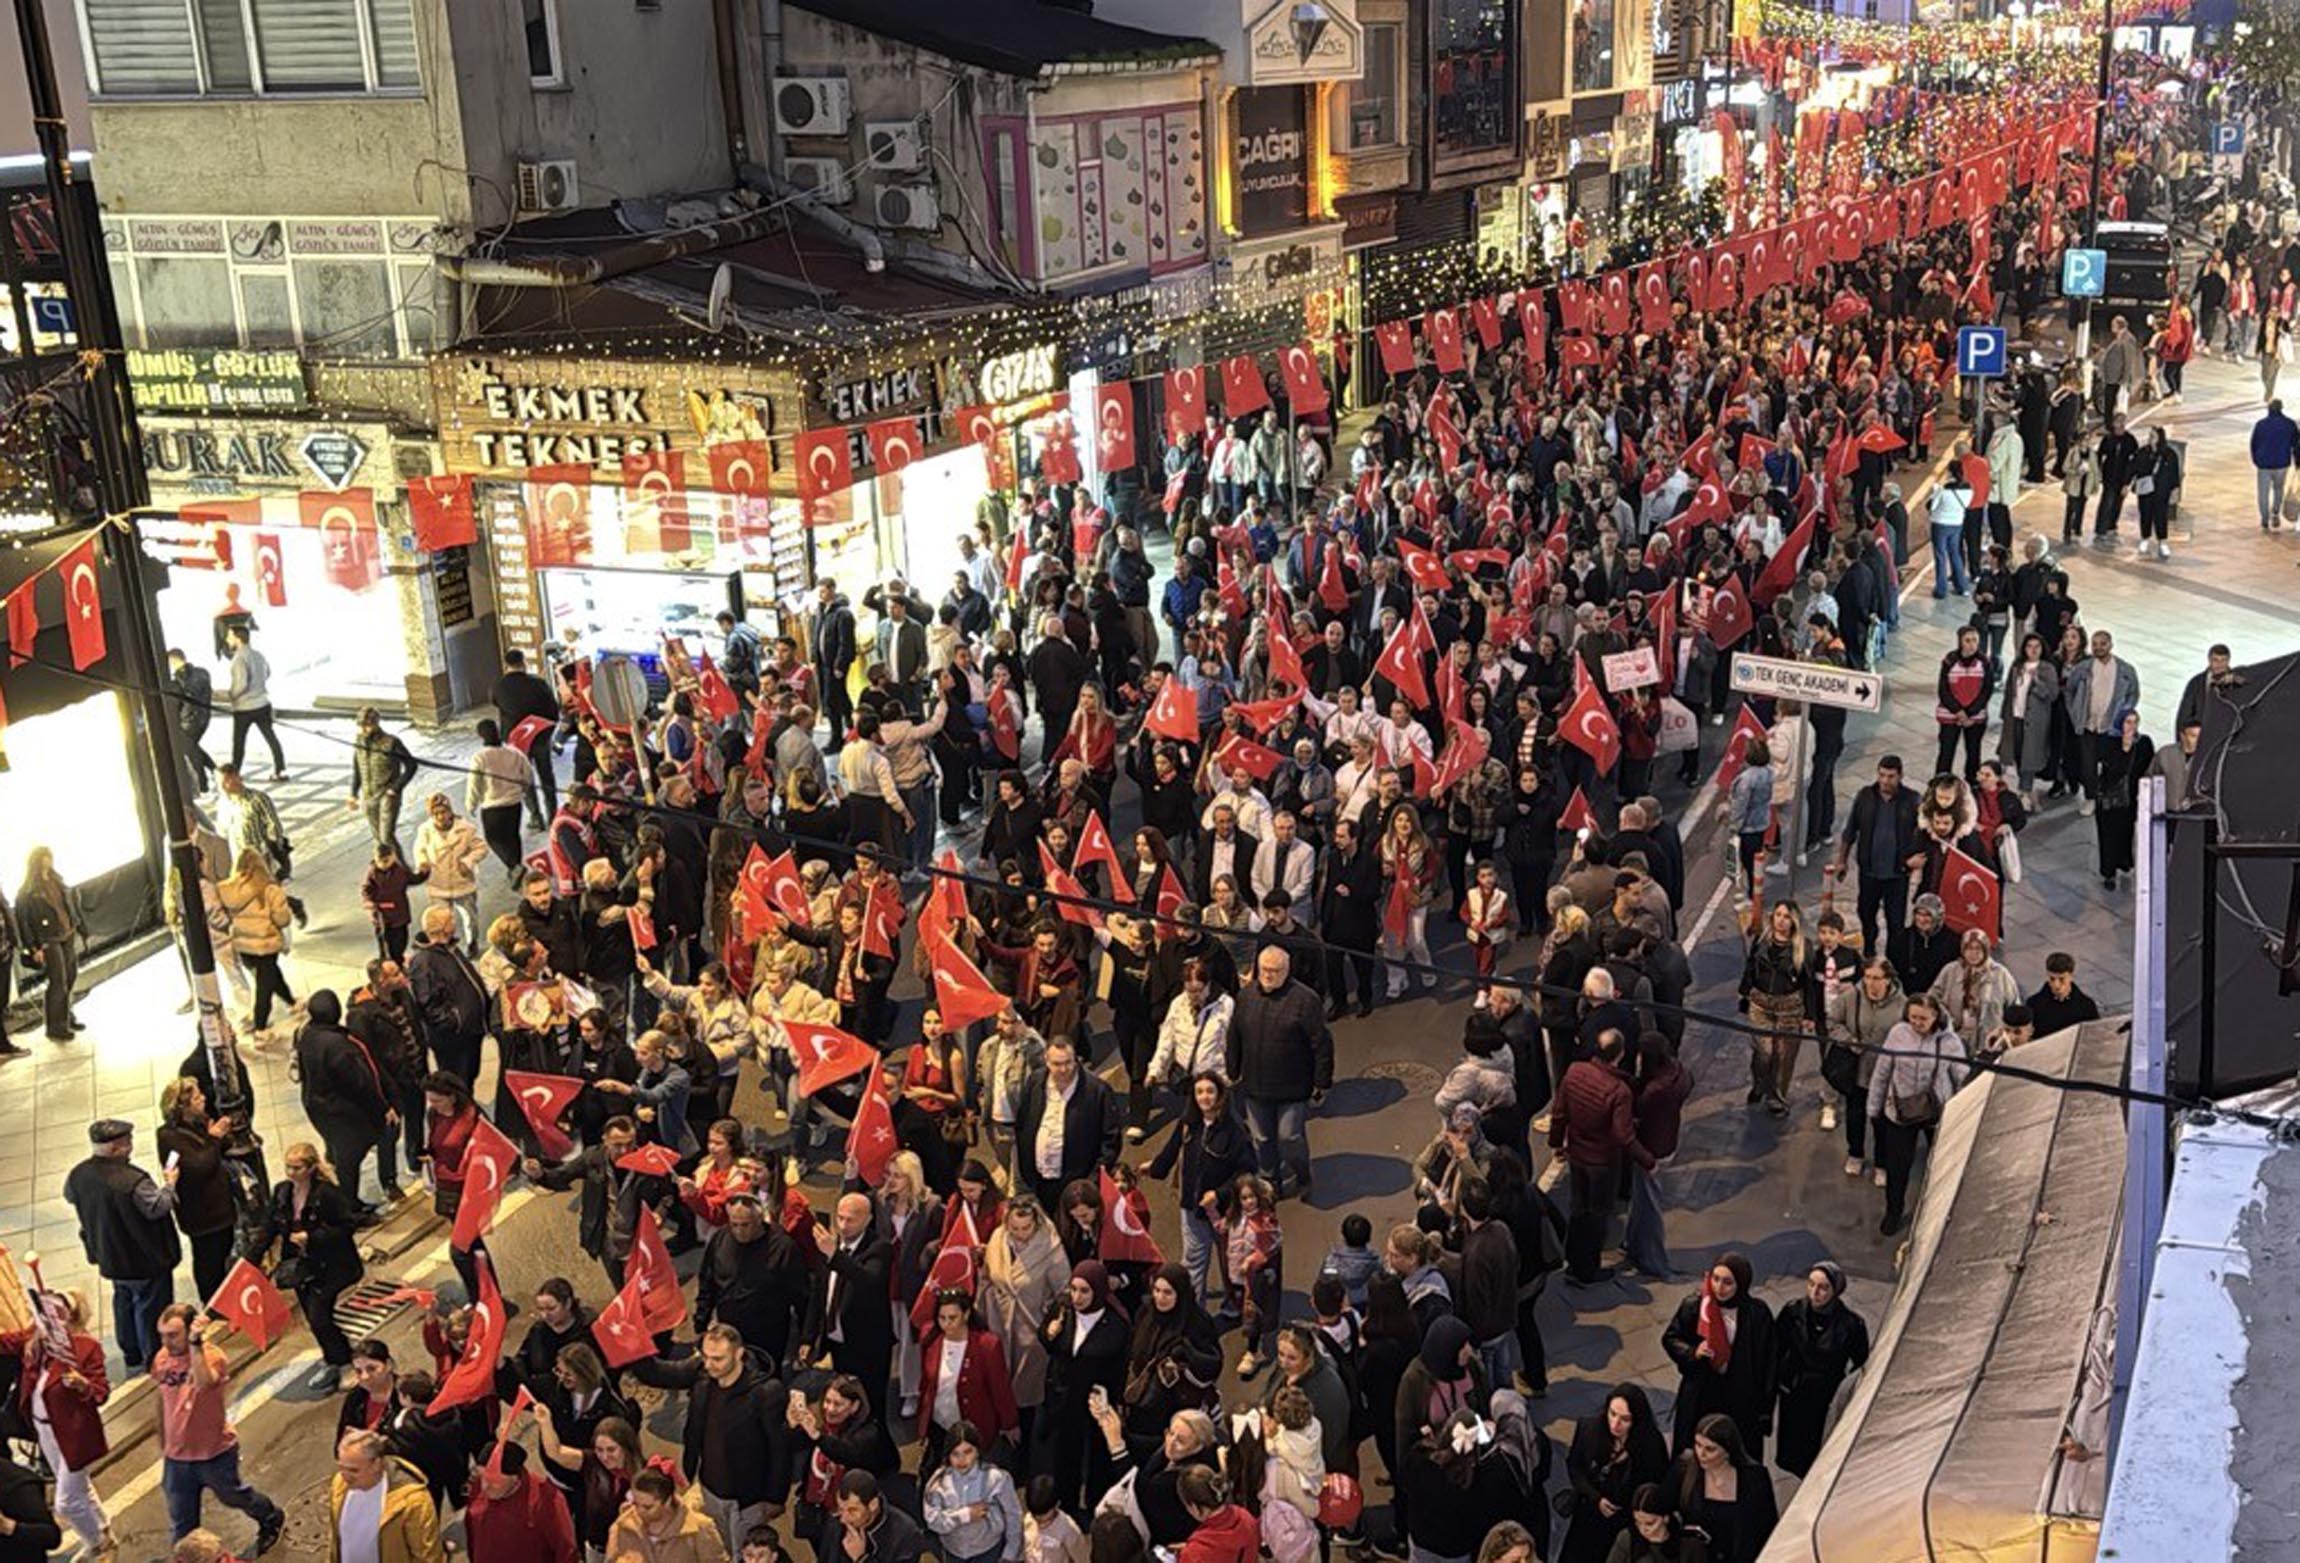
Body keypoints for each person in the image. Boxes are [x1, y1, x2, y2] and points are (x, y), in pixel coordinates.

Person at [153, 1304, 286, 1550]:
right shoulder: (162, 1359)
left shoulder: (211, 1356)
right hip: (177, 1458)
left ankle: (270, 1516)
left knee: (234, 1496)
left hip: (213, 1453)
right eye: (162, 1335)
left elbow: (205, 1383)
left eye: (173, 1335)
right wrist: (163, 1439)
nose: (166, 1342)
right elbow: (162, 1398)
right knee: (182, 1524)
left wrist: (194, 1344)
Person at [0, 1287, 112, 1561]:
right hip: (45, 1430)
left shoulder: (86, 1348)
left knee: (66, 1501)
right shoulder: (36, 1340)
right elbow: (6, 1343)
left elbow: (100, 1391)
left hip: (75, 1435)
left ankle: (96, 1542)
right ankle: (102, 1528)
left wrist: (82, 1385)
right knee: (80, 1488)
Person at [62, 1118, 180, 1374]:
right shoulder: (132, 1180)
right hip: (143, 1259)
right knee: (150, 1308)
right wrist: (170, 1184)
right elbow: (157, 1207)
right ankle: (154, 1357)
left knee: (123, 1302)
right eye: (127, 1143)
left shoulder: (78, 1174)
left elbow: (71, 1197)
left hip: (108, 1255)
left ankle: (131, 1353)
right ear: (115, 1147)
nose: (131, 1147)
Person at [245, 1142, 364, 1393]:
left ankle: (344, 1361)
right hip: (301, 1267)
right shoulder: (282, 1193)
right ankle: (333, 1358)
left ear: (310, 1168)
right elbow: (268, 1229)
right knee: (314, 1318)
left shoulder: (327, 1194)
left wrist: (313, 1237)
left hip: (331, 1266)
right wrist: (248, 1263)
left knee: (320, 1317)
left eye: (296, 1167)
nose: (290, 1173)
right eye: (287, 1166)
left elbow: (348, 1226)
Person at [1225, 947, 1332, 1199]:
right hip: (1255, 1084)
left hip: (1293, 1087)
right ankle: (1269, 1182)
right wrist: (1233, 1067)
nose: (1268, 975)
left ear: (1287, 970)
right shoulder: (1246, 996)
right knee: (1261, 1139)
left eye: (1275, 971)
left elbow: (1321, 1043)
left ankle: (1302, 1174)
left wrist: (1321, 1081)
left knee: (1290, 1137)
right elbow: (1235, 1034)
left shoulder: (1305, 1000)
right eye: (1264, 970)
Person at [1551, 1030, 1651, 1283]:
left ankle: (1572, 1259)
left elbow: (1559, 1112)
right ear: (1620, 1054)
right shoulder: (1620, 1091)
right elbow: (1623, 1135)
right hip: (1603, 1162)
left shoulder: (1574, 1071)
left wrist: (1556, 1143)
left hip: (1577, 1153)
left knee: (1577, 1207)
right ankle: (1588, 1269)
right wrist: (1647, 1160)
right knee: (1597, 1215)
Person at [1866, 993, 1967, 1236]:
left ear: (1936, 1016)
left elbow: (1961, 1077)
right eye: (1913, 1017)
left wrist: (1962, 1115)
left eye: (1923, 1018)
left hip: (1936, 1112)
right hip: (1899, 1112)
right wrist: (1874, 1107)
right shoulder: (1898, 1034)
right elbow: (1882, 1071)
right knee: (1898, 1167)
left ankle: (1939, 1211)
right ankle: (1894, 1211)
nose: (1917, 1023)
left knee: (1942, 1165)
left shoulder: (1949, 1042)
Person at [1660, 1253, 1776, 1458]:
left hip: (1740, 1394)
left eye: (1727, 1282)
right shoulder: (1696, 1306)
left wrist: (1765, 1409)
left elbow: (1769, 1362)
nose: (1719, 1287)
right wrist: (1692, 1352)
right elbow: (1671, 1338)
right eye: (1715, 1279)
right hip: (1702, 1390)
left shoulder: (1757, 1313)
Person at [1771, 1261, 1869, 1477]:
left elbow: (1861, 1364)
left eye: (1823, 1287)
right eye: (1811, 1284)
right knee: (1792, 1454)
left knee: (1818, 1453)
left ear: (1835, 1291)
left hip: (1824, 1397)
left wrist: (1844, 1394)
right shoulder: (1793, 1312)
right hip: (1794, 1393)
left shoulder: (1851, 1324)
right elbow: (1775, 1349)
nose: (1815, 1292)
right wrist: (1781, 1380)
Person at [1559, 1385, 1671, 1563]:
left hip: (1625, 1522)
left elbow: (1656, 1485)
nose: (1615, 1424)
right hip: (1588, 1516)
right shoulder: (1589, 1429)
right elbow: (1575, 1466)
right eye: (1612, 1414)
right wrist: (1596, 1497)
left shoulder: (1651, 1445)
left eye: (1625, 1419)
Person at [1016, 1037, 1125, 1217]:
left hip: (1076, 1185)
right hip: (1040, 1180)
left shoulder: (1097, 1091)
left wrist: (1091, 1182)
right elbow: (1023, 1124)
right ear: (1046, 1061)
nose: (1064, 1069)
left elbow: (1110, 1140)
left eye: (1068, 1062)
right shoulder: (1035, 1082)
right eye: (1057, 1064)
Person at [1668, 1415, 1777, 1563]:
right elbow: (1664, 1510)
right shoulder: (1684, 1470)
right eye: (1698, 1445)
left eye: (1710, 1449)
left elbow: (1769, 1527)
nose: (1701, 1454)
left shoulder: (1755, 1479)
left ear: (1727, 1450)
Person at [328, 1427, 443, 1563]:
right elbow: (335, 1540)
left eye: (353, 1470)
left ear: (376, 1464)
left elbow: (426, 1556)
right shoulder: (339, 1485)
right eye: (341, 1467)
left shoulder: (413, 1502)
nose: (345, 1476)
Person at [922, 1421, 1024, 1563]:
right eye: (955, 1453)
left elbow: (1013, 1515)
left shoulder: (997, 1479)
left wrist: (1010, 1553)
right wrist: (965, 1515)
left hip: (989, 1550)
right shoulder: (938, 1483)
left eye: (967, 1451)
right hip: (954, 1552)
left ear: (977, 1451)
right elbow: (933, 1521)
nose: (962, 1459)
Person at [463, 1438, 576, 1563]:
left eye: (494, 1481)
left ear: (515, 1477)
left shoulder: (547, 1501)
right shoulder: (477, 1488)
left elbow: (566, 1551)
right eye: (482, 1477)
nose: (485, 1486)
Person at [16, 845, 85, 1042]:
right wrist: (33, 948)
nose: (48, 861)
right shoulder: (28, 892)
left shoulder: (57, 880)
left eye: (49, 857)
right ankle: (56, 1026)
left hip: (67, 934)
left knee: (70, 975)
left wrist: (76, 924)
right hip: (48, 940)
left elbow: (67, 904)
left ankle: (67, 1016)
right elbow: (24, 923)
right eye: (44, 858)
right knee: (58, 981)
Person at [492, 646, 564, 826]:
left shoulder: (499, 686)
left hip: (516, 741)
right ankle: (553, 814)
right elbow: (554, 710)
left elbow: (496, 703)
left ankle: (535, 816)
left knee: (524, 778)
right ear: (523, 662)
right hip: (540, 737)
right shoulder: (538, 684)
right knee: (546, 775)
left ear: (506, 664)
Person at [606, 1467, 730, 1563]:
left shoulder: (698, 1529)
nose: (639, 1511)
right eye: (635, 1504)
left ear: (667, 1501)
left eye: (647, 1507)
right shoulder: (623, 1526)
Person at [222, 625, 287, 779]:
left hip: (244, 708)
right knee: (271, 738)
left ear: (237, 638)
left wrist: (230, 696)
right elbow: (268, 673)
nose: (227, 639)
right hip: (263, 703)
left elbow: (241, 684)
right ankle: (280, 769)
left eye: (229, 636)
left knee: (239, 743)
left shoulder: (238, 658)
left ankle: (235, 773)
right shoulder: (258, 655)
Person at [2252, 398, 2298, 529]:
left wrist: (2256, 459)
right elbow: (2295, 444)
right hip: (2282, 462)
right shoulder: (2289, 424)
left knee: (2263, 492)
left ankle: (2264, 518)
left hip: (2264, 464)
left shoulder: (2261, 424)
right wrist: (2296, 460)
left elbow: (2254, 444)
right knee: (2279, 489)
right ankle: (2275, 512)